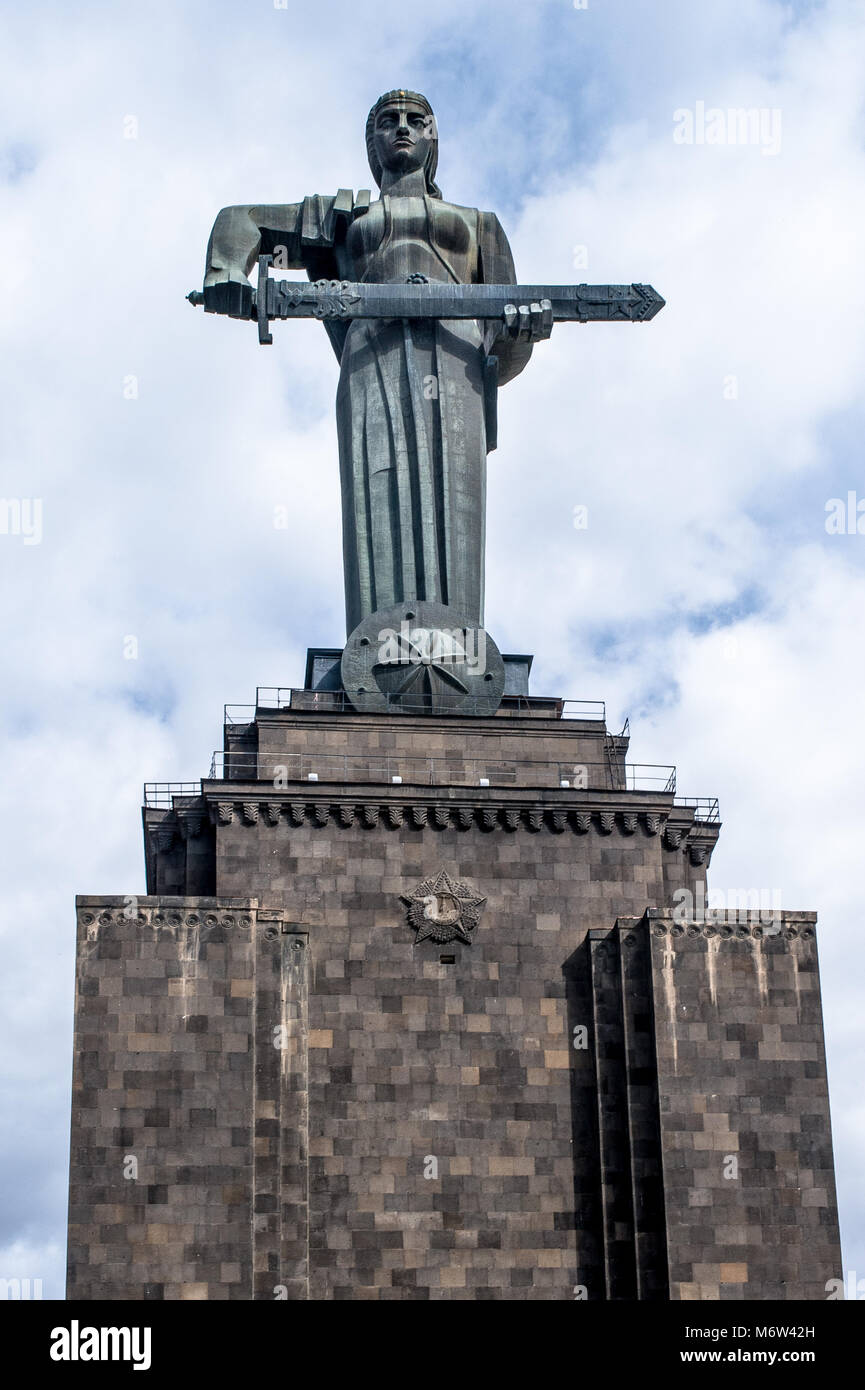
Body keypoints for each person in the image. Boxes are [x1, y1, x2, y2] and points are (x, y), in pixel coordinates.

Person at [203, 89, 551, 635]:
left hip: (457, 361)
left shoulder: (479, 223)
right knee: (375, 488)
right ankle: (376, 639)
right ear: (372, 142)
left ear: (435, 137)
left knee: (454, 500)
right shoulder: (344, 215)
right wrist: (226, 271)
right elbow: (241, 218)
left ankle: (458, 644)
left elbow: (507, 342)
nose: (404, 128)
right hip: (372, 353)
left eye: (417, 120)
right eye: (389, 121)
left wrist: (519, 333)